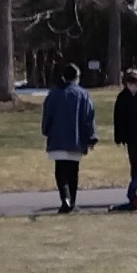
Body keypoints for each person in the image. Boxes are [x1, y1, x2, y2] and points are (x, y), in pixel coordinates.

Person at [41, 63, 98, 214]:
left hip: (58, 138)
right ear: (77, 78)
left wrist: (46, 130)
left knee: (61, 171)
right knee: (73, 171)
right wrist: (91, 138)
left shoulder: (54, 94)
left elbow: (47, 115)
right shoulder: (83, 95)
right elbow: (89, 117)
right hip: (76, 139)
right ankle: (71, 201)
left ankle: (65, 199)